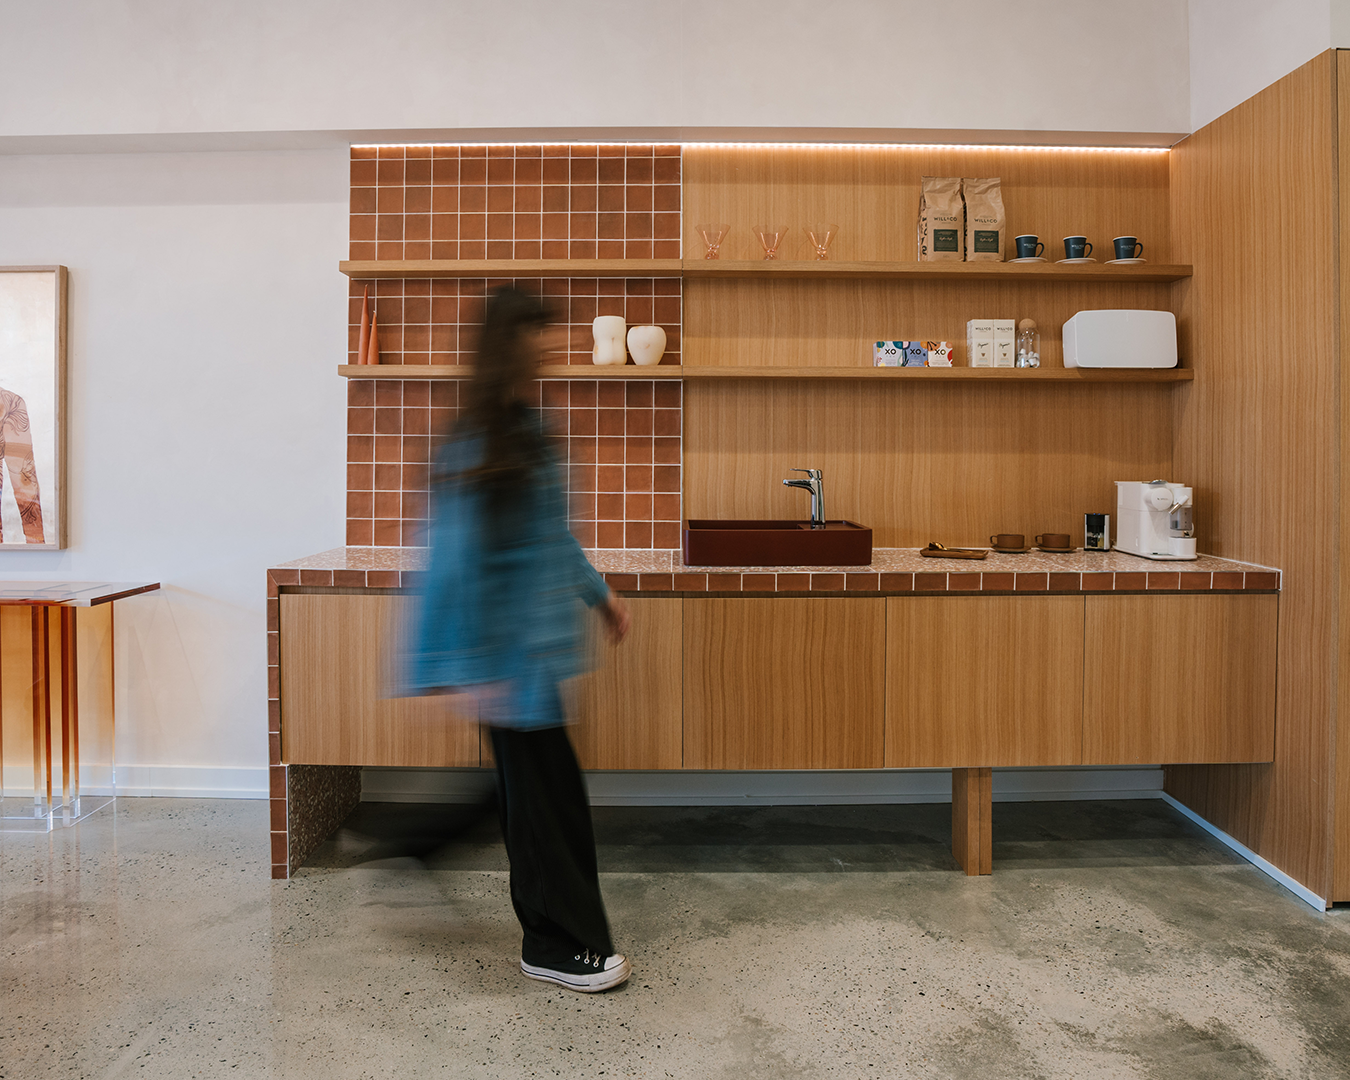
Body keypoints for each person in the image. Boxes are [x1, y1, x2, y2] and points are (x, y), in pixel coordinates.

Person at [410, 285, 632, 993]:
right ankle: (554, 944)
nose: (549, 351)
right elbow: (451, 561)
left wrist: (599, 595)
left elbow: (550, 534)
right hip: (504, 657)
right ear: (508, 345)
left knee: (535, 796)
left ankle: (412, 856)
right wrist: (464, 662)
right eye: (538, 338)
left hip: (535, 653)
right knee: (543, 805)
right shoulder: (476, 439)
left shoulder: (529, 428)